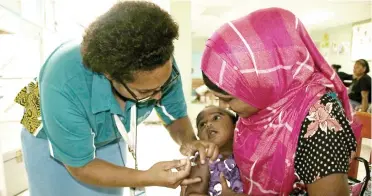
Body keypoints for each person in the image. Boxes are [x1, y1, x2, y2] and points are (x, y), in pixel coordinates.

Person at [16, 2, 218, 196]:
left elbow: (174, 115)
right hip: (50, 136)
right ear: (110, 75)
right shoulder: (64, 83)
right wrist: (146, 177)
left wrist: (190, 141)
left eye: (162, 86)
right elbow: (81, 166)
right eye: (146, 91)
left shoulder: (156, 59)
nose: (159, 96)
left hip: (108, 134)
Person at [199, 8, 361, 195]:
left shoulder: (321, 123)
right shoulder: (261, 108)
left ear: (263, 81)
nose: (224, 107)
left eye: (228, 99)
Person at [181, 106, 243, 196]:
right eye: (202, 124)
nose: (208, 124)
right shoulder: (203, 159)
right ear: (199, 137)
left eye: (216, 118)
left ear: (235, 125)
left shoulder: (248, 154)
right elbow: (193, 193)